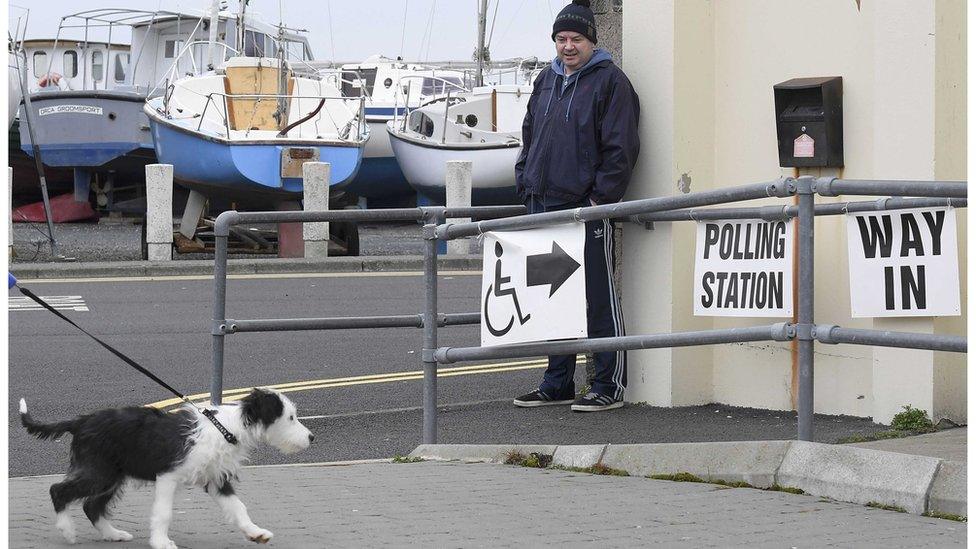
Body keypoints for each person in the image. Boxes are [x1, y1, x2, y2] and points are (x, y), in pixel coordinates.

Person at [512, 0, 640, 412]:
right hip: (542, 205)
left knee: (597, 296)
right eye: (562, 39)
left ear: (591, 41)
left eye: (577, 39)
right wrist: (524, 177)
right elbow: (529, 133)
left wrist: (598, 201)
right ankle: (557, 383)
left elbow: (621, 150)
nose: (568, 46)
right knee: (551, 299)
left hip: (585, 210)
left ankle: (608, 384)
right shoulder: (544, 81)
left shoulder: (611, 83)